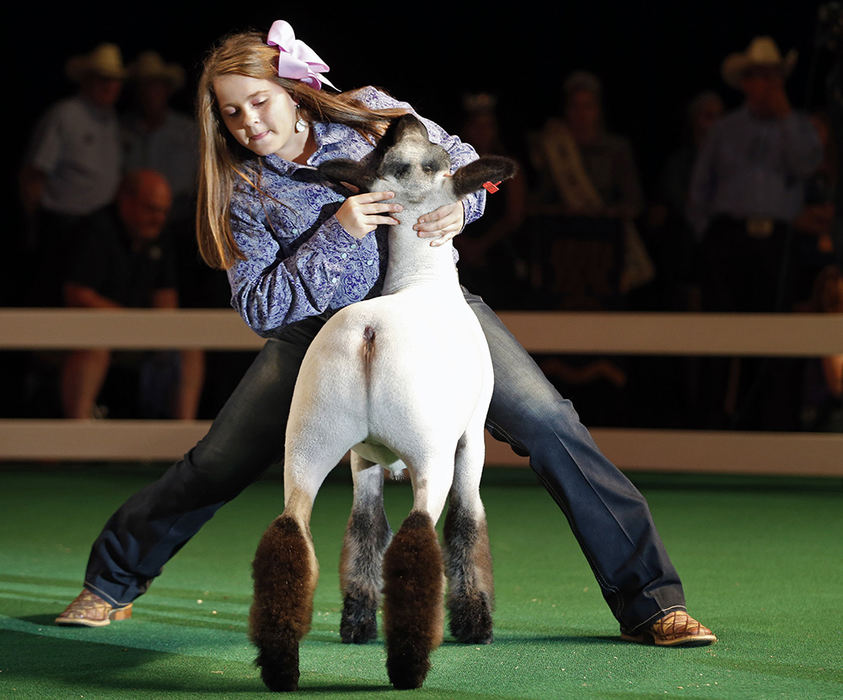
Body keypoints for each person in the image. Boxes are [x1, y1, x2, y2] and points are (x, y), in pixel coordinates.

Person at [55, 20, 715, 647]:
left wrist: (461, 203)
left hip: (430, 307)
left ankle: (652, 601)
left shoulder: (371, 113)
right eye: (231, 113)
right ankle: (110, 581)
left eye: (258, 101)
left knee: (549, 421)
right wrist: (339, 235)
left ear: (288, 88)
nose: (249, 122)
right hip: (319, 339)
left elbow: (459, 164)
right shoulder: (240, 188)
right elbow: (259, 307)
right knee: (220, 462)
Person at [60, 170, 204, 420]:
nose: (158, 218)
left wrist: (156, 329)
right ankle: (79, 436)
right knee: (95, 347)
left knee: (190, 348)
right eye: (151, 209)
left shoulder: (160, 236)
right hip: (85, 333)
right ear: (125, 201)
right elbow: (78, 295)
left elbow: (166, 300)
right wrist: (131, 323)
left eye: (163, 211)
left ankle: (181, 440)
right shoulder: (96, 230)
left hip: (139, 333)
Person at [20, 43, 127, 307]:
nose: (110, 86)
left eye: (115, 80)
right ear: (87, 80)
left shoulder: (111, 118)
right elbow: (34, 173)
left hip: (100, 228)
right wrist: (33, 223)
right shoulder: (65, 115)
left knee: (89, 297)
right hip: (63, 224)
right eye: (103, 79)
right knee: (54, 295)